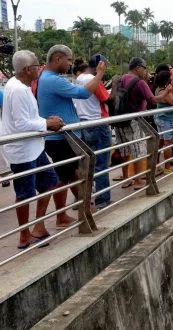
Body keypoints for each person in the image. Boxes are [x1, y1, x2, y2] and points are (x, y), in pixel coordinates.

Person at [0, 50, 65, 248]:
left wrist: (47, 121)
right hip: (22, 150)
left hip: (34, 147)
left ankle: (38, 225)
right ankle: (24, 234)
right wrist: (47, 124)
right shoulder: (18, 89)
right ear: (29, 69)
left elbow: (27, 118)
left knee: (50, 182)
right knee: (25, 192)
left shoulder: (19, 85)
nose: (40, 68)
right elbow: (21, 123)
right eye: (37, 65)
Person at [37, 45, 106, 223]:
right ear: (58, 59)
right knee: (67, 175)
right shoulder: (53, 80)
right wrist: (99, 74)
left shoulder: (48, 77)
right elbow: (83, 93)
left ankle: (80, 209)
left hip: (63, 136)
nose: (70, 64)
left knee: (69, 174)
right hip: (60, 138)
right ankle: (76, 211)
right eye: (68, 60)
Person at [115, 58, 173, 188]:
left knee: (125, 150)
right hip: (135, 119)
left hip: (119, 119)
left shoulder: (121, 78)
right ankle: (137, 181)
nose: (146, 70)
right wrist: (166, 93)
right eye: (145, 67)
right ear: (138, 67)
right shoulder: (140, 82)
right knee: (138, 149)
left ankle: (126, 179)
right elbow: (152, 100)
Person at [73, 55, 113, 209]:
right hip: (97, 122)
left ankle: (83, 198)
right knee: (101, 163)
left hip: (83, 123)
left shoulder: (79, 78)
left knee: (86, 164)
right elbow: (106, 98)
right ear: (100, 65)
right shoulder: (93, 78)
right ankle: (103, 199)